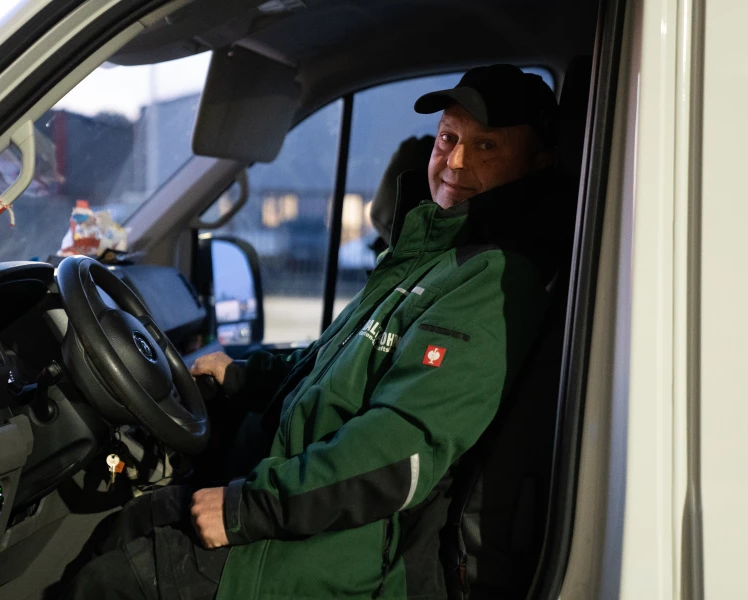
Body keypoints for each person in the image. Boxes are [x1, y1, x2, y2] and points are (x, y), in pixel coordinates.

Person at [64, 64, 563, 600]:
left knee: (110, 583)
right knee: (127, 526)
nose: (455, 161)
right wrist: (240, 377)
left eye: (486, 147)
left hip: (329, 552)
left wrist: (248, 508)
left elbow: (400, 453)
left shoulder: (494, 280)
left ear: (537, 162)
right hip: (290, 499)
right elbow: (334, 365)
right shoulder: (427, 256)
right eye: (449, 138)